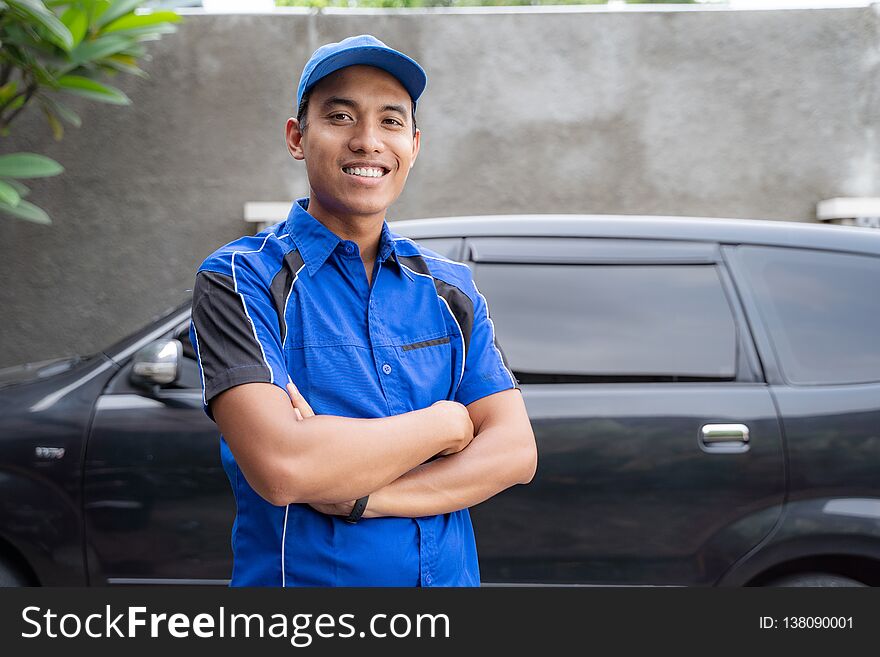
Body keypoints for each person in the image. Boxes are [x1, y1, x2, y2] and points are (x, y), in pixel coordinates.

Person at [189, 34, 537, 587]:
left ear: (414, 145)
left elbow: (514, 452)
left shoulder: (449, 289)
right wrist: (447, 424)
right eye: (341, 116)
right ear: (297, 137)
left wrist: (363, 498)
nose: (368, 141)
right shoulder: (241, 278)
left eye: (391, 122)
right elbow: (284, 468)